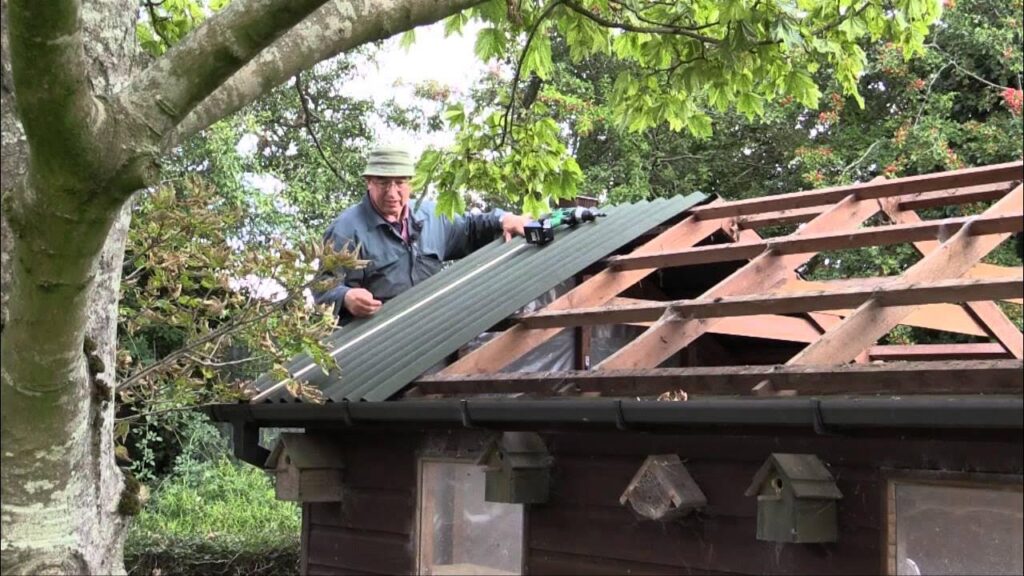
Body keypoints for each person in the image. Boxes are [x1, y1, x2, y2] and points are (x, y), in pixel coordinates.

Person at [316, 145, 529, 322]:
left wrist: (505, 218)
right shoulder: (345, 230)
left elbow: (472, 228)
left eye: (399, 183)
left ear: (410, 184)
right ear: (369, 182)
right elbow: (322, 288)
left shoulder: (432, 215)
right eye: (383, 183)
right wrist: (346, 297)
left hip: (434, 330)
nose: (392, 192)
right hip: (378, 344)